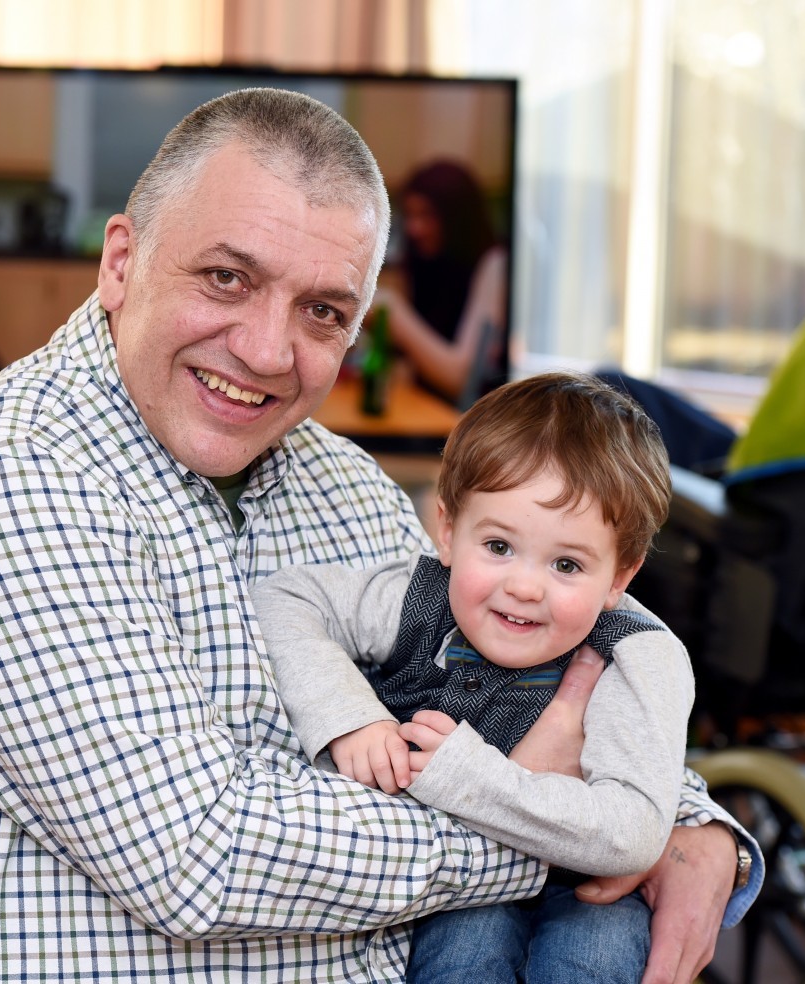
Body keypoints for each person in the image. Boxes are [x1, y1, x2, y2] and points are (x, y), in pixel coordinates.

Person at [0, 87, 760, 983]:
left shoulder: (346, 484)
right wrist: (569, 839)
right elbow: (193, 859)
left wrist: (693, 826)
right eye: (226, 278)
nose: (268, 351)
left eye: (323, 310)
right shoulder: (0, 469)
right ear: (121, 260)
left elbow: (535, 650)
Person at [253, 371, 693, 983]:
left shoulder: (640, 656)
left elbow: (633, 832)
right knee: (464, 953)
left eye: (567, 564)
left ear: (620, 576)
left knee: (593, 956)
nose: (524, 586)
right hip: (458, 880)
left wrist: (470, 778)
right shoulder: (419, 596)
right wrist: (351, 717)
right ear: (449, 531)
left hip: (582, 885)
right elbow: (284, 599)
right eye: (499, 547)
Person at [372, 159, 509, 406]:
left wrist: (394, 314)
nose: (415, 228)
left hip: (473, 422)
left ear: (458, 218)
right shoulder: (422, 262)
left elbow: (462, 379)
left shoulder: (494, 264)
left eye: (427, 215)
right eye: (410, 215)